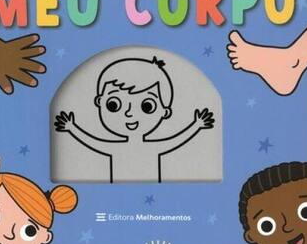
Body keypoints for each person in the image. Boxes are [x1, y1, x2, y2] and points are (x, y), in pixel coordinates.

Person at [54, 56, 214, 182]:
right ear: (99, 102)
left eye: (147, 106)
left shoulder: (151, 148)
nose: (129, 113)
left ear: (164, 112)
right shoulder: (118, 148)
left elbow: (175, 141)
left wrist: (197, 125)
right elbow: (93, 142)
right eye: (113, 104)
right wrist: (71, 128)